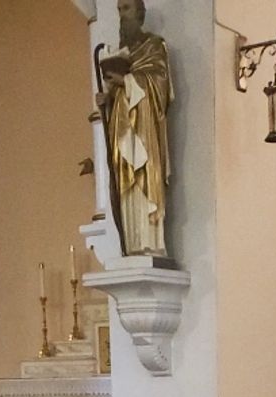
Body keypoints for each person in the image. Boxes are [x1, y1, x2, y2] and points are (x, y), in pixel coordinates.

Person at [98, 0, 173, 258]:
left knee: (144, 178)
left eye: (127, 8)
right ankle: (132, 242)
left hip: (144, 128)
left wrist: (126, 80)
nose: (122, 15)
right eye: (119, 9)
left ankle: (150, 241)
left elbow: (161, 85)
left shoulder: (154, 45)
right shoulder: (119, 52)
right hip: (121, 127)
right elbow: (115, 92)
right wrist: (106, 98)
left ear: (140, 13)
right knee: (125, 182)